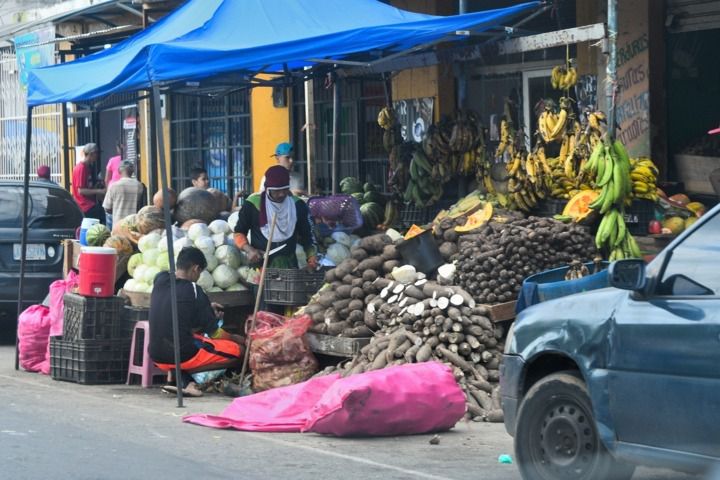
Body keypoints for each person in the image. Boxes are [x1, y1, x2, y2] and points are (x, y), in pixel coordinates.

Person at [149, 246, 244, 397]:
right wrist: (236, 338)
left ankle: (183, 381)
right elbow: (215, 333)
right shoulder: (194, 290)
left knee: (189, 339)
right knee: (238, 351)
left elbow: (178, 308)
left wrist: (204, 307)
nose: (199, 276)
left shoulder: (159, 279)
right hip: (182, 355)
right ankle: (185, 378)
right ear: (195, 269)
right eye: (200, 272)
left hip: (155, 355)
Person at [234, 165, 318, 269]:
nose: (282, 194)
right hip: (260, 270)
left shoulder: (298, 205)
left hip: (289, 270)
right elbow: (238, 233)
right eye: (276, 190)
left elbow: (308, 236)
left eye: (285, 189)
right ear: (268, 188)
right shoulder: (253, 204)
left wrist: (312, 259)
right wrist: (249, 250)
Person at [102, 160, 144, 231]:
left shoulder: (114, 186)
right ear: (132, 171)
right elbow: (142, 206)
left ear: (119, 171)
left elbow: (107, 208)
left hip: (118, 227)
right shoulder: (139, 186)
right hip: (133, 226)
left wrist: (116, 211)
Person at [72, 143, 106, 224]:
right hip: (84, 205)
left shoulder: (88, 167)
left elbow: (87, 186)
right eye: (96, 153)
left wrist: (96, 186)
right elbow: (81, 190)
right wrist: (99, 191)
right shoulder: (81, 168)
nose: (97, 156)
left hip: (88, 203)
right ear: (91, 154)